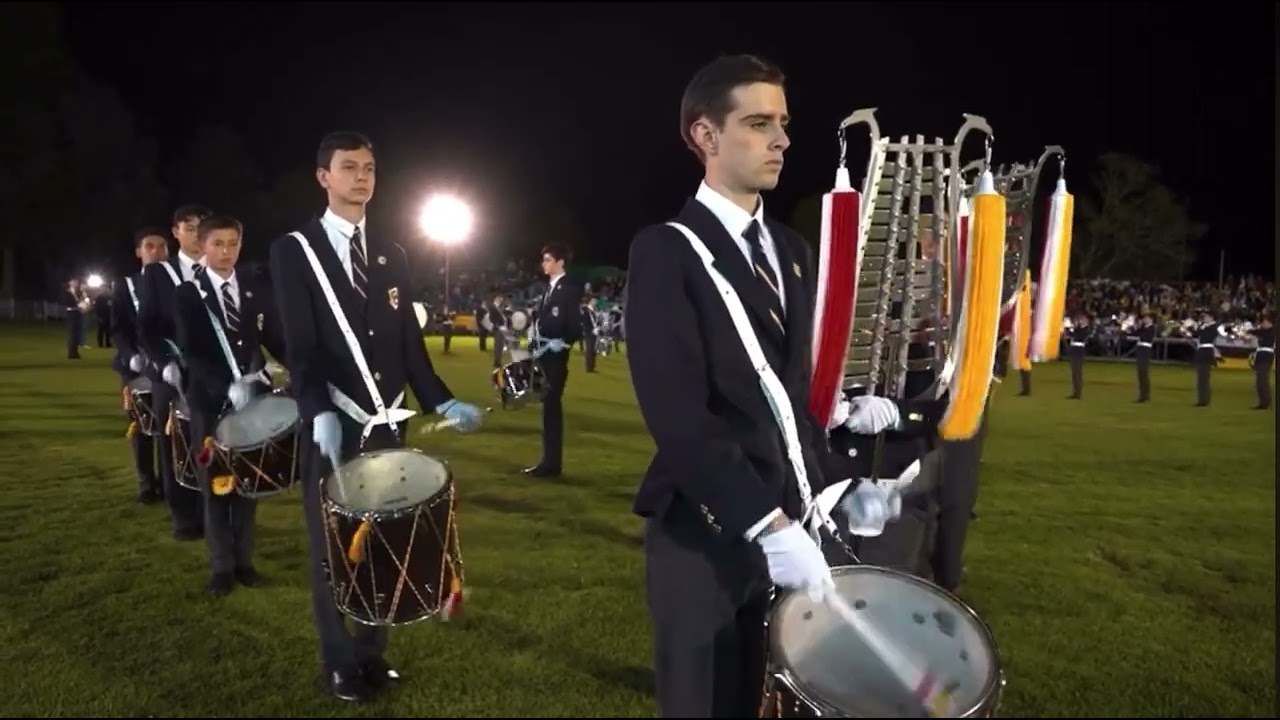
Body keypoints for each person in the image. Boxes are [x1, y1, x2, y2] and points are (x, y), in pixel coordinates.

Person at [625, 54, 910, 718]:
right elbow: (677, 413)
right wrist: (765, 522)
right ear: (705, 135)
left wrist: (836, 466)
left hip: (792, 530)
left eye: (783, 123)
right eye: (758, 123)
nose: (781, 139)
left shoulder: (793, 250)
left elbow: (793, 392)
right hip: (707, 532)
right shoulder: (665, 249)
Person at [269, 130, 485, 703]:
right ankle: (337, 660)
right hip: (333, 425)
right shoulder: (296, 250)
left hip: (388, 426)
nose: (362, 176)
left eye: (369, 167)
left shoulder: (392, 253)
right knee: (332, 551)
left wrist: (441, 399)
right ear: (324, 177)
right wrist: (316, 409)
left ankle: (371, 654)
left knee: (385, 541)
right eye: (348, 167)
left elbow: (408, 342)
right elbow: (302, 344)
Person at [175, 213, 287, 596]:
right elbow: (193, 351)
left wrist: (298, 366)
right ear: (202, 246)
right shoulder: (189, 294)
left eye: (233, 244)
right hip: (209, 402)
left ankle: (244, 562)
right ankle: (221, 567)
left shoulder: (254, 287)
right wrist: (226, 386)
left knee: (248, 481)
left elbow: (273, 335)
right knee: (216, 485)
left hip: (251, 402)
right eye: (218, 244)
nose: (226, 252)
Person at [138, 204, 212, 541]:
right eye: (189, 227)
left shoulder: (220, 268)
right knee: (175, 446)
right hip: (172, 372)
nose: (196, 234)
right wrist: (163, 361)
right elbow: (148, 326)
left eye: (201, 227)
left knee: (213, 443)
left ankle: (214, 512)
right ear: (176, 231)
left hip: (213, 374)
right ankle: (183, 515)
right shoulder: (158, 273)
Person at [113, 227, 170, 504]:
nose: (157, 252)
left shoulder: (177, 282)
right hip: (136, 368)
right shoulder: (127, 284)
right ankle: (147, 483)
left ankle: (173, 482)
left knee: (170, 428)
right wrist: (130, 354)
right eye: (150, 246)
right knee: (141, 426)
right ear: (138, 252)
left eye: (162, 246)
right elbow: (118, 328)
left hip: (167, 366)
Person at [524, 244, 583, 477]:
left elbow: (575, 326)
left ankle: (551, 464)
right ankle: (549, 461)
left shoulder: (569, 289)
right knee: (548, 410)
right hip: (543, 355)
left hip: (556, 359)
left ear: (560, 262)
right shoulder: (550, 288)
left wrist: (564, 341)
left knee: (551, 410)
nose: (544, 264)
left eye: (548, 259)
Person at [1251, 315, 1273, 410]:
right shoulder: (1263, 331)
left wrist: (1249, 331)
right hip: (1260, 356)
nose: (1262, 324)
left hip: (1266, 357)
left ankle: (1266, 402)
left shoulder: (1271, 331)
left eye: (1264, 322)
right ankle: (1262, 402)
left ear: (1269, 323)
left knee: (1263, 380)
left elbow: (1259, 332)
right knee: (1259, 381)